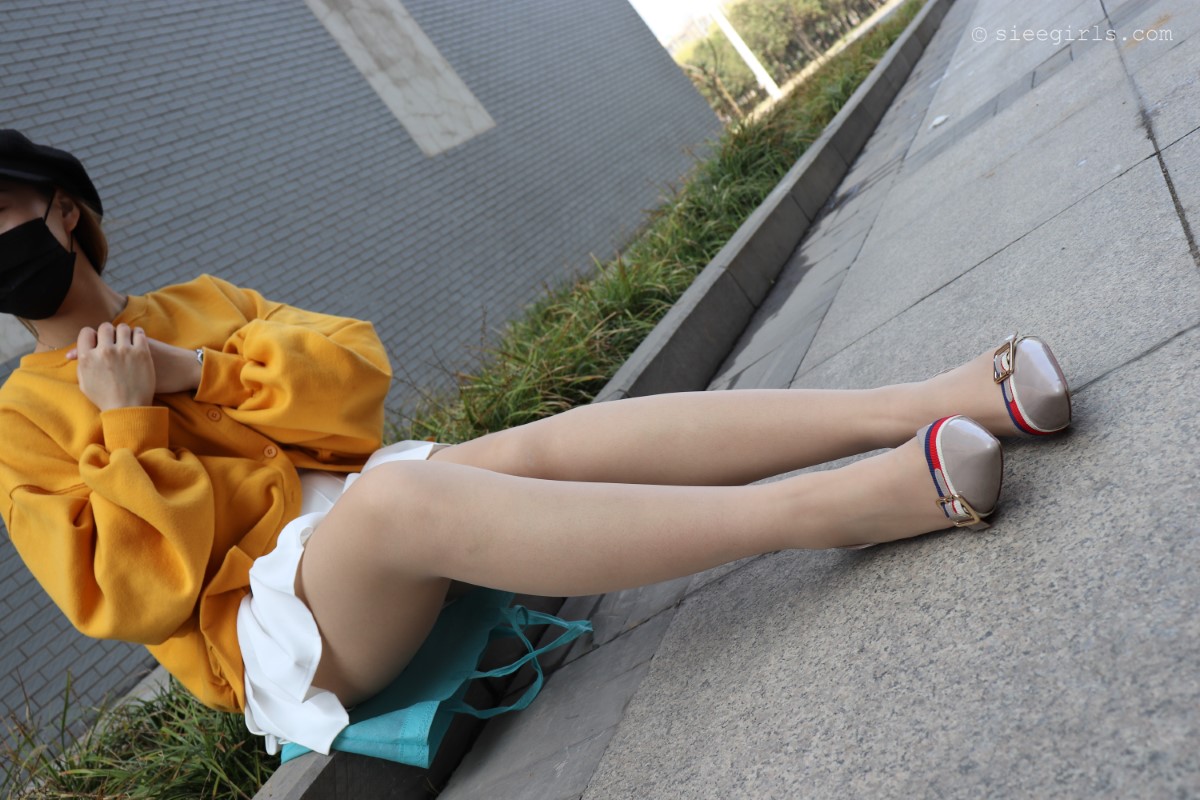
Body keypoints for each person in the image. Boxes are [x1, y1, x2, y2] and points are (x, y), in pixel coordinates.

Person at [0, 129, 1071, 756]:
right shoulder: (19, 423)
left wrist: (194, 370)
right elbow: (135, 595)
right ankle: (838, 508)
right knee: (396, 498)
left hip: (379, 511)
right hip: (282, 634)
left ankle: (918, 400)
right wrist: (129, 420)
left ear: (59, 208)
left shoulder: (199, 303)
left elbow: (352, 384)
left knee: (539, 446)